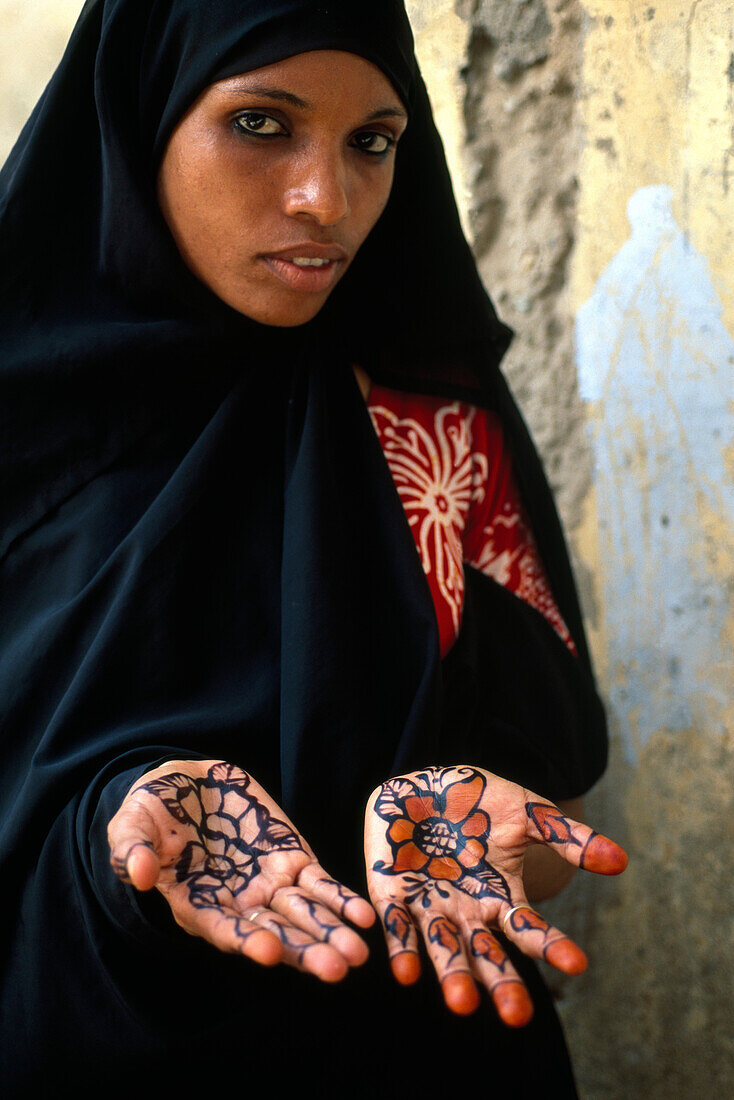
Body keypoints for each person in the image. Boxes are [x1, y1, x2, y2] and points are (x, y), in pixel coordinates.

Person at [0, 0, 627, 1095]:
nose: (323, 198)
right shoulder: (19, 423)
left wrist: (466, 823)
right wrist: (115, 838)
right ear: (141, 115)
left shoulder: (423, 422)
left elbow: (538, 808)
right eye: (259, 124)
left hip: (424, 1050)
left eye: (371, 142)